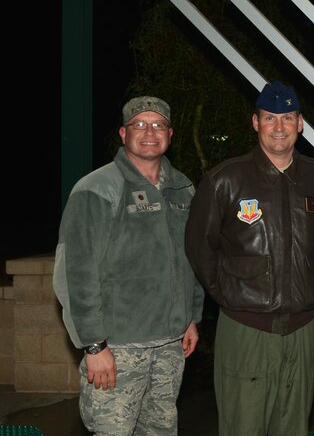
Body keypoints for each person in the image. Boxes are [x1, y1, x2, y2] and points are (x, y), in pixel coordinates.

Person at [184, 81, 314, 436]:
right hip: (246, 327)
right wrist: (229, 294)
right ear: (255, 122)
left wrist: (310, 285)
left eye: (287, 117)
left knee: (293, 426)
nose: (279, 126)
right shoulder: (224, 179)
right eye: (270, 118)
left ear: (300, 123)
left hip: (304, 327)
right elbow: (199, 246)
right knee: (244, 425)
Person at [53, 96, 203, 435]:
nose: (149, 132)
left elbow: (189, 257)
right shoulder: (96, 189)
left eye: (158, 125)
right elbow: (74, 272)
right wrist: (94, 345)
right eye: (139, 125)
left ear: (170, 134)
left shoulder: (183, 189)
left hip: (169, 346)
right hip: (118, 349)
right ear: (123, 133)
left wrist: (191, 316)